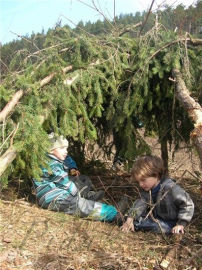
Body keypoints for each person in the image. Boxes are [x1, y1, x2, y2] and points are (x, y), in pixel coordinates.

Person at [33, 133, 125, 223]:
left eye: (66, 148)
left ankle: (102, 205)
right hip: (55, 199)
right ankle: (113, 214)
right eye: (61, 148)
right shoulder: (53, 165)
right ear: (51, 150)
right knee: (83, 207)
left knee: (81, 196)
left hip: (51, 197)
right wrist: (76, 193)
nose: (65, 151)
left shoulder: (50, 161)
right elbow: (64, 182)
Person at [121, 155, 194, 234]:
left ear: (156, 175)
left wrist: (181, 223)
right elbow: (140, 204)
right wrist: (130, 218)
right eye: (139, 181)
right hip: (156, 220)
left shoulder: (170, 188)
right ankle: (131, 223)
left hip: (172, 223)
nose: (141, 184)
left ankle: (137, 225)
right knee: (138, 221)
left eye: (143, 180)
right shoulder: (147, 190)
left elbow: (188, 204)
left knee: (160, 228)